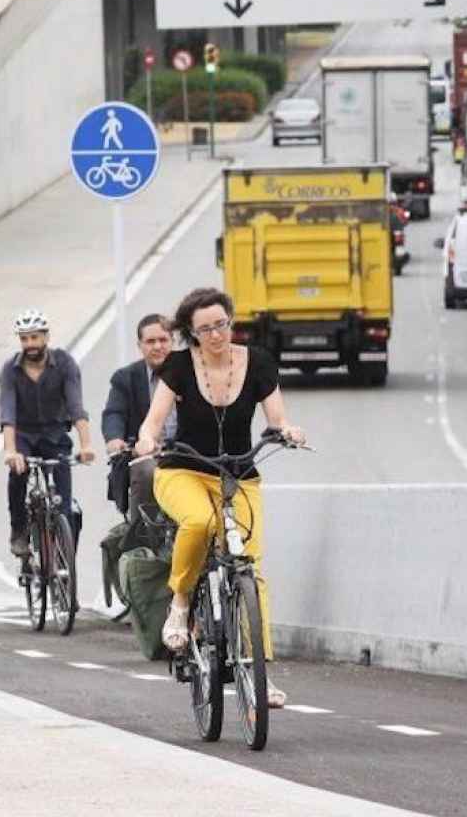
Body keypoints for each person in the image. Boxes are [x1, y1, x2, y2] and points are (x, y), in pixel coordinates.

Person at [135, 287, 306, 709]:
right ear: (192, 334)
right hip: (183, 470)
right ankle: (180, 605)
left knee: (250, 567)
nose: (216, 335)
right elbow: (153, 421)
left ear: (232, 322)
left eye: (222, 325)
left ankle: (258, 672)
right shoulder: (177, 366)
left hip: (238, 474)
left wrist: (288, 431)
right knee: (199, 523)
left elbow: (277, 416)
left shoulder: (259, 362)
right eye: (206, 329)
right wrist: (146, 440)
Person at [0, 309, 96, 558]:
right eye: (24, 339)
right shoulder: (10, 370)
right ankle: (19, 530)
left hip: (55, 436)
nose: (30, 344)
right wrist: (10, 451)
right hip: (23, 436)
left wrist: (86, 445)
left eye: (34, 337)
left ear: (46, 337)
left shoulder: (64, 364)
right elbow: (7, 412)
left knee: (64, 506)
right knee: (18, 474)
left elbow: (76, 407)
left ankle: (65, 566)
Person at [103, 314, 176, 518]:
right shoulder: (125, 378)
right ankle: (140, 540)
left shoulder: (192, 372)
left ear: (173, 341)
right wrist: (115, 440)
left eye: (163, 340)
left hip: (187, 453)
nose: (157, 346)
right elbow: (114, 413)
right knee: (146, 472)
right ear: (140, 345)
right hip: (146, 454)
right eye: (150, 341)